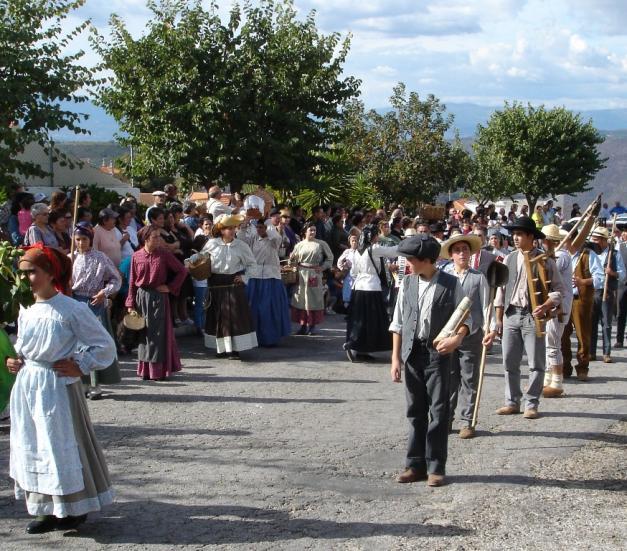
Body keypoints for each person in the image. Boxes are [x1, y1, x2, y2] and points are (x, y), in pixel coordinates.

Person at [7, 243, 116, 534]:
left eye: (33, 272)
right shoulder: (26, 309)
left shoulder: (71, 309)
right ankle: (45, 508)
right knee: (35, 444)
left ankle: (72, 508)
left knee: (59, 445)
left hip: (57, 387)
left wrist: (80, 364)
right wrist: (16, 361)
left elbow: (105, 346)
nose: (27, 278)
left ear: (50, 273)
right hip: (29, 386)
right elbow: (24, 346)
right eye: (24, 273)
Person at [389, 235, 471, 488]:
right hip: (412, 353)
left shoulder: (451, 283)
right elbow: (398, 322)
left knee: (438, 411)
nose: (407, 264)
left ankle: (436, 466)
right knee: (415, 411)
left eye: (411, 259)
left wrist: (456, 341)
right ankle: (414, 465)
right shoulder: (407, 283)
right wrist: (395, 358)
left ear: (426, 260)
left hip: (438, 355)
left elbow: (467, 319)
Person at [494, 217, 565, 419]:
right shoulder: (508, 259)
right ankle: (512, 401)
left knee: (536, 362)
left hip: (533, 316)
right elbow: (501, 291)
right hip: (511, 314)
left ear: (531, 237)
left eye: (519, 234)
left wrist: (547, 304)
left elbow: (560, 290)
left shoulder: (545, 260)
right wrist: (498, 319)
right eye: (514, 234)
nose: (515, 238)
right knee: (509, 361)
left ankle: (531, 403)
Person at [441, 234, 493, 439]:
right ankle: (446, 418)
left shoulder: (478, 277)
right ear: (452, 255)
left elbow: (487, 305)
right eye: (458, 250)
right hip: (448, 333)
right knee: (449, 378)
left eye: (465, 249)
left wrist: (491, 329)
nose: (462, 253)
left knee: (469, 378)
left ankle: (467, 421)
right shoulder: (444, 275)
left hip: (471, 334)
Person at [188, 214, 259, 359]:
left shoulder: (241, 246)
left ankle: (235, 349)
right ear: (221, 230)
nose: (232, 230)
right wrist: (192, 259)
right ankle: (221, 349)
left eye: (233, 228)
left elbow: (253, 265)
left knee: (235, 318)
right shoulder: (212, 244)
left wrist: (244, 277)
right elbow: (202, 257)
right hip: (215, 285)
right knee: (218, 318)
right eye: (228, 228)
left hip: (233, 285)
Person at [126, 225, 188, 380]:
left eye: (159, 236)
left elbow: (182, 271)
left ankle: (158, 371)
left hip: (159, 299)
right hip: (141, 298)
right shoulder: (136, 256)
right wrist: (130, 303)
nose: (159, 239)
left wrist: (170, 287)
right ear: (146, 239)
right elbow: (133, 281)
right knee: (144, 334)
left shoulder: (164, 255)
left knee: (158, 335)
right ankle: (145, 371)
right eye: (155, 237)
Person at [71, 225, 122, 399]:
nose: (80, 243)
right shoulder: (71, 258)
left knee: (94, 344)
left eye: (84, 239)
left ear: (90, 240)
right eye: (77, 239)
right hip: (75, 303)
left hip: (94, 303)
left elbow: (116, 279)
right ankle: (83, 382)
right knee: (78, 344)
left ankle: (95, 384)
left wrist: (104, 293)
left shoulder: (100, 258)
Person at [344, 225, 397, 362]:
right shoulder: (374, 248)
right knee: (373, 321)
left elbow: (354, 272)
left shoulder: (356, 251)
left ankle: (355, 344)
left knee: (358, 319)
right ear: (373, 236)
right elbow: (393, 251)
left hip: (358, 288)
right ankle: (364, 347)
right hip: (372, 287)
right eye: (376, 235)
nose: (378, 237)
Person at [560, 223, 602, 381]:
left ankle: (583, 367)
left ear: (573, 238)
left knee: (582, 335)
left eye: (564, 237)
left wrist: (583, 282)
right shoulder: (560, 255)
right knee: (562, 334)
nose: (561, 240)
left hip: (580, 300)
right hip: (563, 299)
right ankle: (565, 366)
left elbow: (599, 279)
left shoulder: (588, 254)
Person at [241, 219, 291, 347]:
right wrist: (244, 226)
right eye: (258, 227)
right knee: (255, 308)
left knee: (269, 308)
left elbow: (276, 236)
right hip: (255, 277)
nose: (259, 230)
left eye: (262, 227)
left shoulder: (273, 241)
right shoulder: (253, 239)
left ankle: (270, 338)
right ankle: (254, 337)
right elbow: (241, 239)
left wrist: (269, 223)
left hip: (271, 278)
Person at [540, 225, 573, 398]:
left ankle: (557, 382)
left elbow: (549, 275)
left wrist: (547, 259)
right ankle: (547, 379)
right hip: (552, 304)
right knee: (548, 343)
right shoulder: (551, 256)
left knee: (553, 343)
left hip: (560, 305)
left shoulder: (561, 256)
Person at [289, 222, 334, 335]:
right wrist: (291, 259)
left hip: (314, 273)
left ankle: (312, 325)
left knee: (313, 299)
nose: (313, 232)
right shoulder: (299, 245)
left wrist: (322, 267)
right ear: (305, 231)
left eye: (314, 230)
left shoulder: (321, 244)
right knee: (301, 299)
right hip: (301, 274)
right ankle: (303, 325)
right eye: (311, 230)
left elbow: (330, 258)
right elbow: (293, 261)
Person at [589, 226, 626, 363]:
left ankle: (606, 352)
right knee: (592, 323)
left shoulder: (614, 254)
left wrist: (612, 273)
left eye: (597, 239)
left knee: (606, 324)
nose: (594, 242)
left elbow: (623, 276)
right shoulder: (590, 252)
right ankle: (591, 352)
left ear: (604, 240)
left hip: (607, 292)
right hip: (592, 291)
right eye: (593, 239)